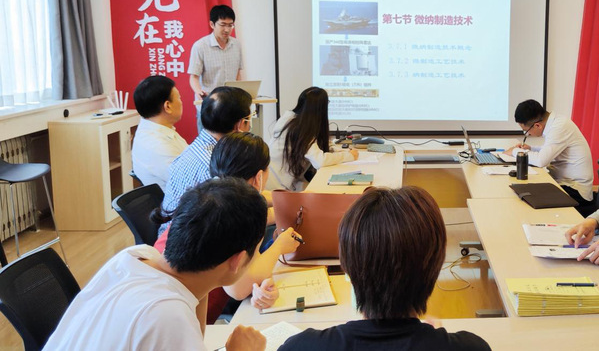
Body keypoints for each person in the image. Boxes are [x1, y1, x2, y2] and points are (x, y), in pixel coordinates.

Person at [44, 178, 268, 351]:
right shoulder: (169, 317)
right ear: (238, 260)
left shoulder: (136, 256)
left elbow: (193, 338)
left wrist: (207, 283)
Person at [279, 186, 491, 351]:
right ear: (436, 265)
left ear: (347, 267)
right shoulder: (471, 348)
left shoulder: (301, 347)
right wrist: (434, 340)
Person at [153, 132, 300, 321]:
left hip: (165, 296)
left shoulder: (210, 195)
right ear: (258, 178)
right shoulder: (239, 214)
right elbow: (239, 289)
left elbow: (266, 200)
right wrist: (280, 247)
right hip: (193, 313)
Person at [159, 86, 252, 235]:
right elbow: (235, 218)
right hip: (190, 240)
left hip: (178, 234)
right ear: (240, 125)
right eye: (250, 117)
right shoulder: (216, 164)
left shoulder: (198, 147)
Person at [267, 87, 358, 191]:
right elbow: (320, 161)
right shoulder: (300, 128)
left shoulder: (290, 119)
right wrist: (349, 156)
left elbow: (315, 146)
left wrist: (336, 150)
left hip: (279, 179)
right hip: (276, 187)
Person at [505, 99, 593, 204]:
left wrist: (515, 151)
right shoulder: (556, 123)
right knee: (522, 192)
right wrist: (531, 148)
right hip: (563, 183)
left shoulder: (560, 127)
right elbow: (549, 151)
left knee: (524, 197)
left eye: (526, 131)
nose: (527, 134)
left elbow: (541, 161)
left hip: (575, 191)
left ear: (537, 125)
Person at [188, 5, 243, 132]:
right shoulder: (200, 46)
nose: (227, 29)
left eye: (230, 25)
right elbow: (194, 77)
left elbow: (237, 74)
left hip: (231, 106)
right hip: (209, 108)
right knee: (207, 143)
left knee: (230, 143)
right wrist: (199, 92)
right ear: (212, 24)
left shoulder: (236, 45)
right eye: (223, 25)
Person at [131, 75, 188, 190]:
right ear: (168, 106)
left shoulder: (153, 129)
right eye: (179, 98)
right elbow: (195, 182)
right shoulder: (158, 146)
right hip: (183, 198)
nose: (181, 102)